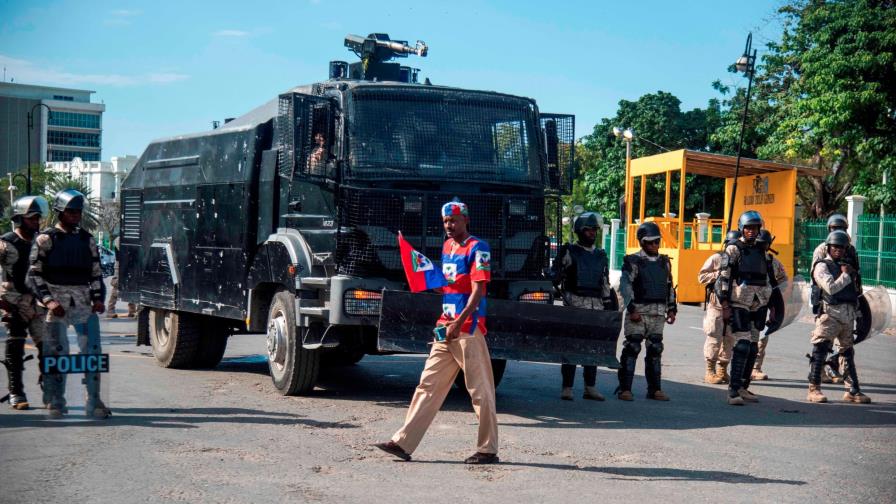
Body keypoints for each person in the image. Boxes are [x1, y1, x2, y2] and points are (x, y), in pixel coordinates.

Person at [374, 200, 498, 464]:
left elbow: (479, 292)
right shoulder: (447, 246)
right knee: (427, 385)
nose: (449, 226)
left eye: (453, 221)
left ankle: (488, 450)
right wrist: (429, 278)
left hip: (468, 329)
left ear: (466, 219)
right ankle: (403, 443)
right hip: (446, 328)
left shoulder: (479, 248)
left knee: (480, 390)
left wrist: (458, 323)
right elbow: (450, 287)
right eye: (445, 222)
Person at [27, 189, 111, 419]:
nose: (75, 216)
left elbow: (95, 273)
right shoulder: (45, 239)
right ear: (60, 212)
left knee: (92, 352)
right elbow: (34, 275)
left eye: (78, 212)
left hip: (84, 304)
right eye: (70, 211)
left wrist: (98, 299)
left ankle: (94, 400)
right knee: (57, 353)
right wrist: (49, 301)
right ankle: (56, 400)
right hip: (56, 306)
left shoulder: (87, 240)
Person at [548, 212, 614, 401]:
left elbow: (604, 281)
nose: (592, 232)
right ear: (579, 231)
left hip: (596, 306)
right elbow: (556, 276)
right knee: (571, 346)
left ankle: (590, 387)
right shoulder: (569, 251)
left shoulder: (601, 255)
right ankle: (567, 387)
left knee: (592, 347)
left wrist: (608, 304)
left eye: (594, 229)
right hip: (574, 304)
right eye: (588, 229)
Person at [807, 230, 871, 404]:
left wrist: (859, 316)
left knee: (847, 353)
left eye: (842, 247)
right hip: (829, 315)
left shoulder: (847, 266)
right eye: (835, 246)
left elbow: (855, 295)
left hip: (847, 315)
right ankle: (814, 389)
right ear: (828, 247)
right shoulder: (822, 266)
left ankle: (852, 390)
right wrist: (845, 275)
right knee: (820, 350)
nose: (839, 250)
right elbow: (830, 288)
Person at [716, 211, 773, 406]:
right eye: (748, 227)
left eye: (755, 228)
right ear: (742, 228)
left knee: (753, 346)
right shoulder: (734, 249)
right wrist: (724, 304)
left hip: (760, 302)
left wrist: (773, 306)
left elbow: (769, 278)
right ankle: (733, 391)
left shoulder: (762, 250)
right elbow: (723, 278)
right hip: (739, 302)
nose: (751, 231)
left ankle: (743, 386)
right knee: (742, 345)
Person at [616, 222, 677, 401]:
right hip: (639, 312)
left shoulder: (664, 262)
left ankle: (655, 390)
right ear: (642, 243)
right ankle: (625, 389)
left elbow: (669, 286)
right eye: (649, 242)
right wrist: (632, 308)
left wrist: (672, 309)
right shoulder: (633, 261)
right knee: (633, 347)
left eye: (656, 242)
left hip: (658, 312)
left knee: (655, 349)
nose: (654, 245)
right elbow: (625, 286)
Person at [1, 196, 49, 410]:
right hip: (14, 302)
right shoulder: (6, 243)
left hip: (38, 303)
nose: (36, 222)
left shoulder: (42, 242)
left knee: (47, 347)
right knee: (15, 347)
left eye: (38, 218)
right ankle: (16, 392)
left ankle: (50, 390)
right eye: (31, 218)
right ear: (20, 219)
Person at [811, 214, 860, 384]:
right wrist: (817, 301)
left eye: (841, 228)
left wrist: (857, 299)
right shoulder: (822, 249)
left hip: (847, 303)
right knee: (823, 343)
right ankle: (819, 375)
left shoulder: (850, 249)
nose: (838, 232)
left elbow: (856, 275)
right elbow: (818, 278)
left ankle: (849, 382)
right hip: (828, 300)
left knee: (846, 348)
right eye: (834, 228)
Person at [697, 230, 740, 385]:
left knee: (730, 338)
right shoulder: (717, 258)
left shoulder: (742, 260)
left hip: (735, 304)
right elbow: (701, 277)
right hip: (717, 304)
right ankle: (710, 370)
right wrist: (718, 274)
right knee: (714, 337)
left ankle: (723, 370)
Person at [750, 229, 788, 381]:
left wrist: (773, 301)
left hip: (764, 304)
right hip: (744, 303)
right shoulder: (746, 257)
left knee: (761, 338)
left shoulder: (772, 261)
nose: (761, 247)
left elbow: (783, 281)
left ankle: (755, 368)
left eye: (764, 244)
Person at [106, 236, 137, 318]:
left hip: (129, 265)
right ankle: (110, 310)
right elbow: (123, 253)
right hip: (120, 266)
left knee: (131, 287)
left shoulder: (129, 238)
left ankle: (132, 310)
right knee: (116, 287)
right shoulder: (119, 239)